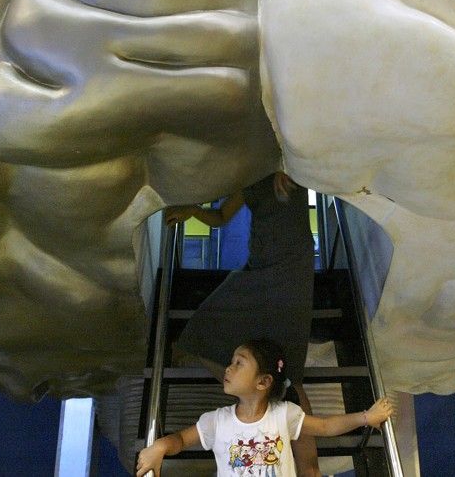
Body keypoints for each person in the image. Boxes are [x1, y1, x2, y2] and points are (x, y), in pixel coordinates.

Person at [165, 171, 321, 473]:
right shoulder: (245, 173)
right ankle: (263, 391)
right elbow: (222, 216)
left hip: (291, 266)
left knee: (292, 371)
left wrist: (288, 165)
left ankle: (310, 469)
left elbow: (324, 160)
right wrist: (193, 211)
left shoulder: (291, 163)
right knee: (203, 327)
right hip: (260, 265)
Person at [135, 339, 395, 477]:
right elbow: (181, 439)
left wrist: (366, 417)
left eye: (239, 363)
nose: (228, 368)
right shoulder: (217, 421)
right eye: (231, 362)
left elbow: (325, 426)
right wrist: (160, 447)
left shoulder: (284, 414)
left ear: (263, 382)